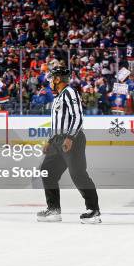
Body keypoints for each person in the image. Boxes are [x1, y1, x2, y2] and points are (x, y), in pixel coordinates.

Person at [37, 66, 101, 224]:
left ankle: (93, 210)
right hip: (58, 141)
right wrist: (51, 140)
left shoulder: (70, 92)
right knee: (47, 171)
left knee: (78, 174)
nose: (50, 82)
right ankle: (53, 210)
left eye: (52, 79)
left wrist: (70, 137)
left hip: (72, 139)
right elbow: (57, 124)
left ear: (58, 79)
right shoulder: (58, 97)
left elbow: (78, 116)